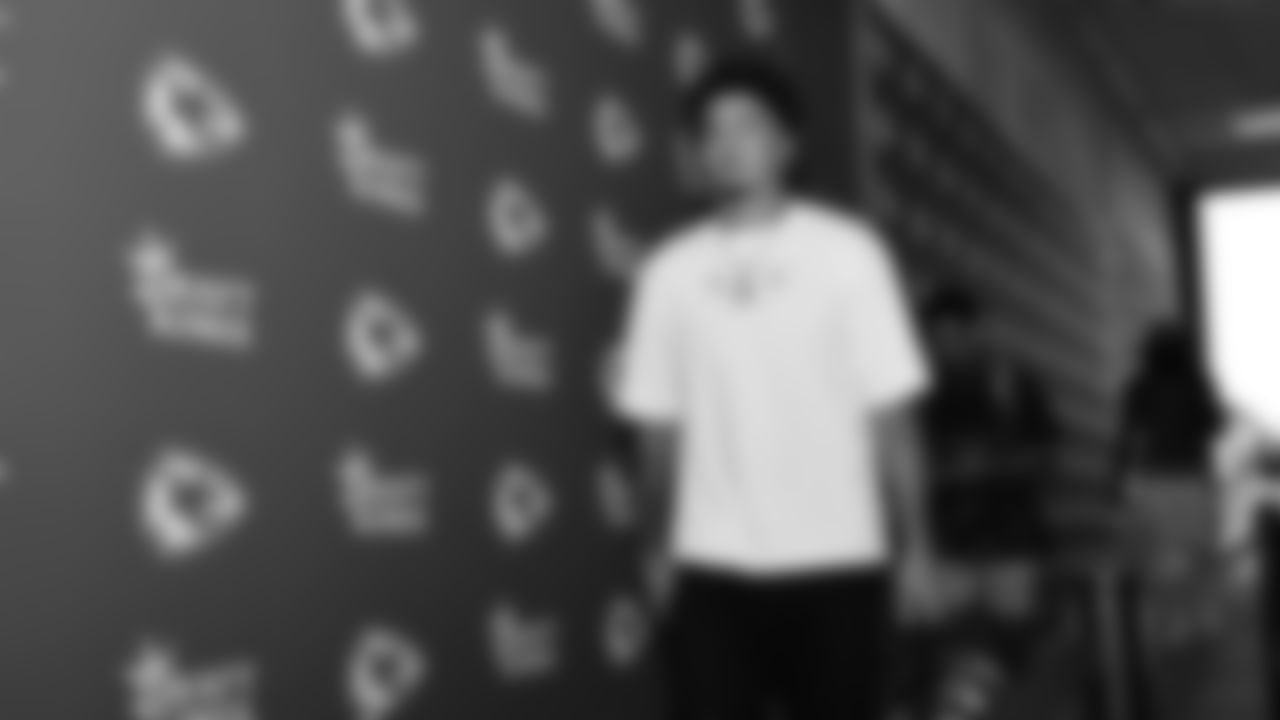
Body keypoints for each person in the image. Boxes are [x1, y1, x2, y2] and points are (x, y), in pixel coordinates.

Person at [611, 55, 940, 720]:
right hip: (709, 565)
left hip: (839, 559)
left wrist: (918, 547)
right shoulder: (667, 274)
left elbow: (893, 416)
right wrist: (653, 548)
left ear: (790, 145)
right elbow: (656, 429)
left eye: (748, 126)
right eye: (711, 132)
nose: (727, 144)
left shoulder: (850, 254)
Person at [917, 289, 1058, 720]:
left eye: (955, 335)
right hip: (948, 539)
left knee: (1012, 648)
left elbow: (1045, 455)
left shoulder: (1013, 384)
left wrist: (987, 464)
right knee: (948, 648)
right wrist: (945, 470)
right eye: (937, 338)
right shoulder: (919, 389)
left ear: (976, 332)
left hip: (1010, 536)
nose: (947, 346)